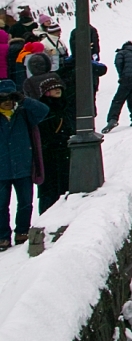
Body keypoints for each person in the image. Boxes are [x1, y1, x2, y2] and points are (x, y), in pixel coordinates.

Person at [0, 79, 48, 249]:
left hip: (23, 167)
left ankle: (22, 231)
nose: (7, 101)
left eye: (10, 97)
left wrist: (24, 100)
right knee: (1, 205)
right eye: (3, 97)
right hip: (2, 169)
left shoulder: (24, 113)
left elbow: (44, 111)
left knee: (26, 203)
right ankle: (2, 236)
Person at [27, 72, 67, 210]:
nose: (58, 90)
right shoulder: (43, 111)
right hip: (48, 157)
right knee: (49, 192)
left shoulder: (64, 106)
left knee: (63, 188)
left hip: (63, 155)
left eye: (59, 88)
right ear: (46, 93)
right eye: (54, 88)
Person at [103, 40, 132, 132]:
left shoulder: (122, 52)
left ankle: (113, 119)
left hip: (128, 78)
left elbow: (118, 63)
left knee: (118, 99)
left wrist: (122, 75)